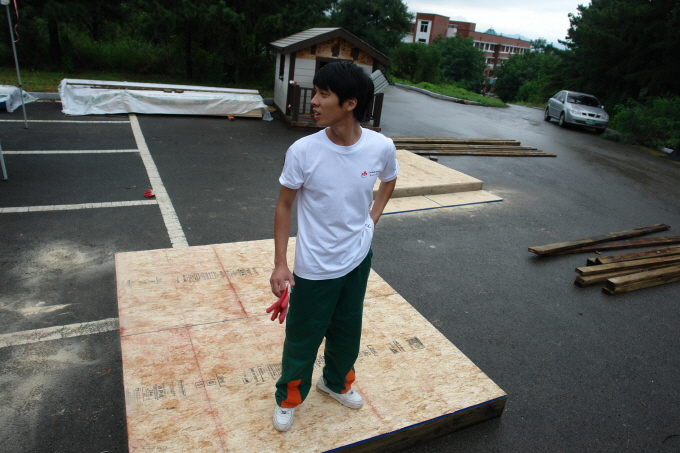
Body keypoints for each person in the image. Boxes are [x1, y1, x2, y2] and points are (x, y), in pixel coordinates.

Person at [267, 61, 399, 432]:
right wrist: (281, 263)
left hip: (357, 259)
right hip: (314, 266)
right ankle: (288, 398)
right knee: (303, 337)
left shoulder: (380, 146)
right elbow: (284, 205)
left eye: (324, 94)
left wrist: (372, 219)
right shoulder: (303, 150)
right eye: (316, 92)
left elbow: (389, 180)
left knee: (346, 330)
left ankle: (336, 383)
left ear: (350, 104)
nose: (314, 101)